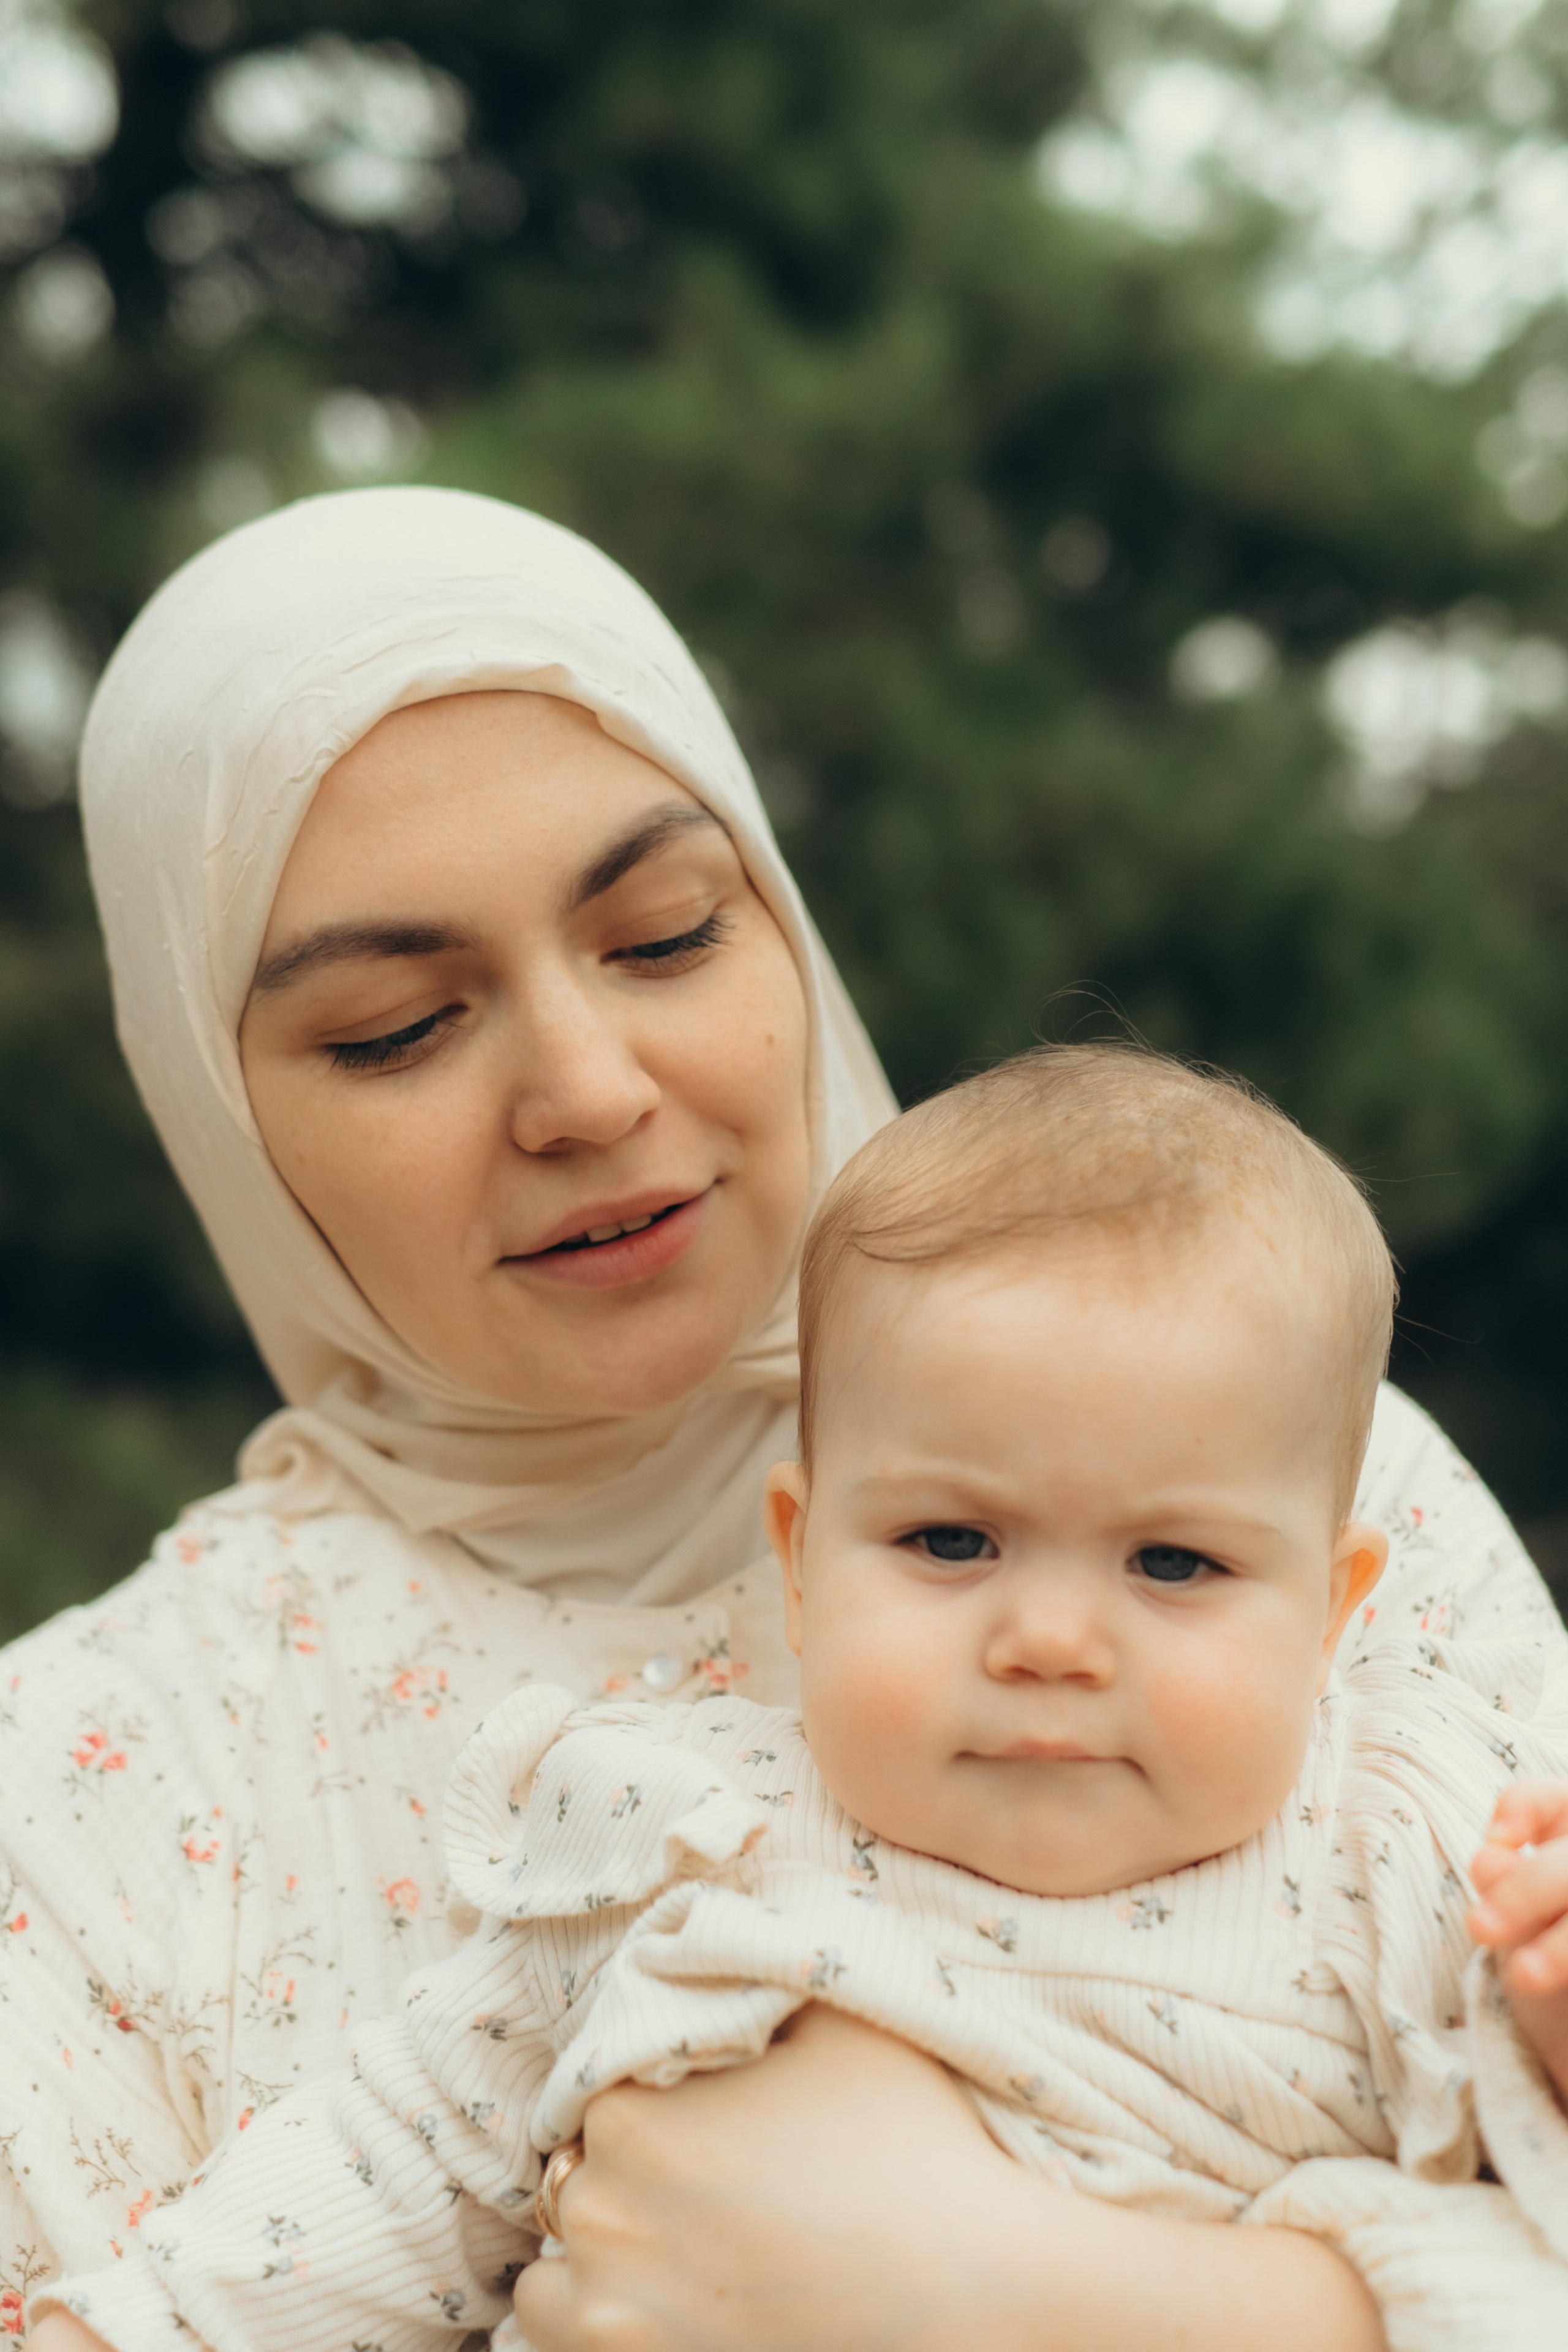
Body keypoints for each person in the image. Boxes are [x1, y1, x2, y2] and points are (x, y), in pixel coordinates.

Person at [4, 487, 1563, 2352]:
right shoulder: (94, 1800)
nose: (586, 1090)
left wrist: (1123, 2314)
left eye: (666, 936)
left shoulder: (1282, 1481)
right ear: (216, 1106)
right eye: (395, 1027)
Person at [35, 1046, 1568, 2352]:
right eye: (948, 1542)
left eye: (1170, 1563)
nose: (1047, 1639)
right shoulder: (676, 1828)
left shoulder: (1416, 1853)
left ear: (1332, 1611)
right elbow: (395, 2159)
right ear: (797, 1558)